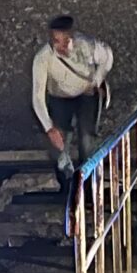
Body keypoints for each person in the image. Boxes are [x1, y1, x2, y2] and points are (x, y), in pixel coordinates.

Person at [32, 14, 116, 200]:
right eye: (55, 41)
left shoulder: (86, 45)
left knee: (87, 139)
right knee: (60, 143)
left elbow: (107, 56)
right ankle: (67, 187)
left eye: (64, 41)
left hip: (86, 96)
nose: (60, 47)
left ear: (72, 36)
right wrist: (49, 127)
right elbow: (37, 96)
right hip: (59, 98)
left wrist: (96, 81)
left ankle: (89, 188)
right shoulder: (43, 58)